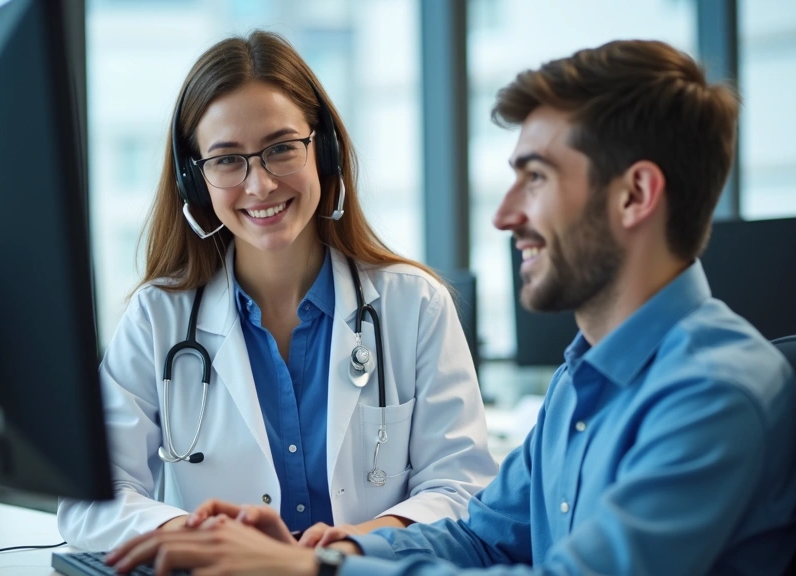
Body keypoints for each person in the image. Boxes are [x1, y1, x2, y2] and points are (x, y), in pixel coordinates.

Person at [103, 39, 796, 576]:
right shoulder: (584, 382)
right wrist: (340, 546)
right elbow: (480, 533)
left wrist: (315, 567)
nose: (504, 216)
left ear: (634, 195)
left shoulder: (714, 393)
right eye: (227, 159)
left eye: (534, 177)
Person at [57, 30, 498, 552]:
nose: (260, 184)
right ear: (194, 180)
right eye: (226, 159)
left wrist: (352, 546)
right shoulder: (158, 318)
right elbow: (90, 500)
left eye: (281, 148)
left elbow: (463, 489)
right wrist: (212, 542)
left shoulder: (415, 305)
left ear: (324, 151)